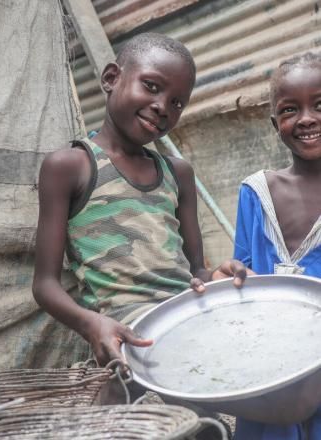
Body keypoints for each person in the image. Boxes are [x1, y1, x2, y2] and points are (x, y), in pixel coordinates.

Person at [32, 32, 248, 369]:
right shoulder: (71, 167)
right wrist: (93, 324)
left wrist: (216, 278)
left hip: (189, 326)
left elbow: (195, 272)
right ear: (110, 79)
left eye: (177, 102)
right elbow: (45, 285)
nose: (162, 107)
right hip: (126, 341)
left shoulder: (178, 173)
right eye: (151, 86)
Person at [233, 52, 321, 439]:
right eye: (290, 109)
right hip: (271, 372)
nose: (306, 118)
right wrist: (231, 278)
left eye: (320, 105)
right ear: (275, 124)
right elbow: (242, 276)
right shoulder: (255, 192)